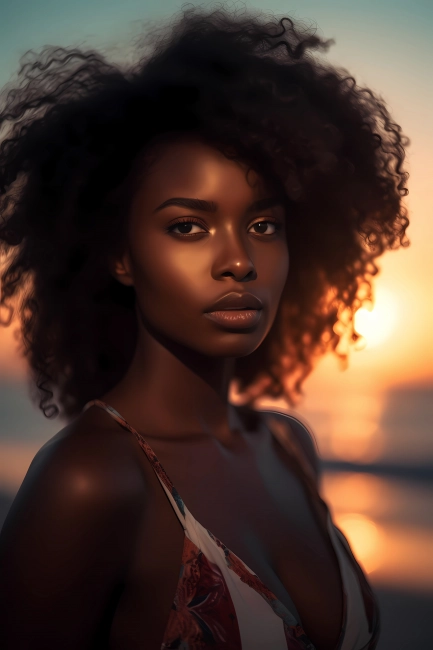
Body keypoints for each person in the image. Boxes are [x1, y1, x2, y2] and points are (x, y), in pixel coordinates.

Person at [0, 4, 410, 649]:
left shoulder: (288, 447)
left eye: (263, 225)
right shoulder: (91, 482)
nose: (240, 260)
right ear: (119, 254)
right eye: (187, 226)